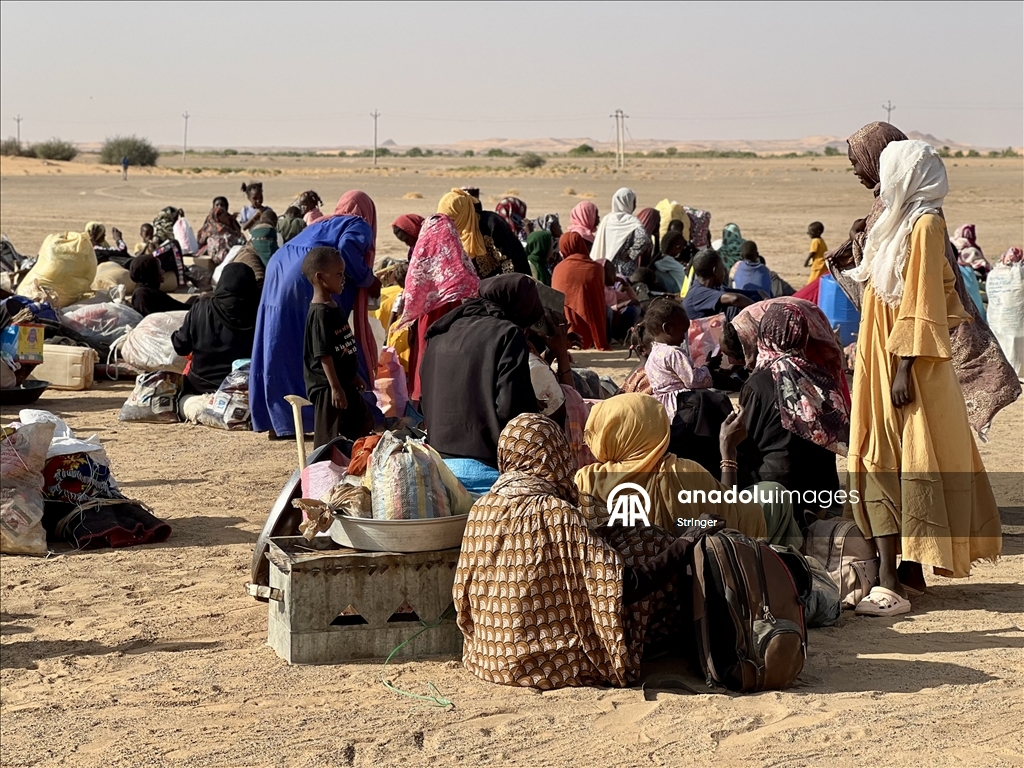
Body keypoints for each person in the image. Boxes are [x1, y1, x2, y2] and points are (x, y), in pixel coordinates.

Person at [844, 140, 1001, 617]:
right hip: (881, 353)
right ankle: (903, 574)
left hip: (907, 362)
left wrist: (903, 368)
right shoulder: (895, 221)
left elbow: (926, 300)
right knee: (877, 453)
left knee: (897, 458)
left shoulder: (927, 224)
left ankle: (891, 584)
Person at [454, 412, 714, 690]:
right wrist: (685, 542)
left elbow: (463, 594)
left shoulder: (482, 508)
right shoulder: (557, 514)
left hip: (486, 657)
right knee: (648, 545)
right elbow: (625, 585)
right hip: (545, 665)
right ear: (553, 455)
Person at [827, 120, 1019, 438]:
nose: (856, 172)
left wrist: (904, 367)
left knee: (912, 429)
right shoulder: (887, 209)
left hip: (906, 336)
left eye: (857, 163)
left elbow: (921, 293)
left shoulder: (924, 221)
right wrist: (858, 239)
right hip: (882, 331)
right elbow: (881, 271)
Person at [249, 196, 379, 437]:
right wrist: (369, 280)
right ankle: (317, 414)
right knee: (323, 342)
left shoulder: (326, 222)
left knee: (279, 345)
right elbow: (349, 249)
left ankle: (281, 418)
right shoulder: (357, 223)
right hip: (304, 278)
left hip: (279, 268)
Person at [574, 394, 769, 538]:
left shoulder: (586, 481)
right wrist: (728, 453)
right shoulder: (684, 472)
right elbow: (732, 516)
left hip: (621, 585)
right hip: (686, 582)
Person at [419, 274, 542, 492]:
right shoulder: (508, 334)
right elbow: (513, 409)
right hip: (486, 466)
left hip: (437, 462)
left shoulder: (442, 331)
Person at [734, 301, 848, 523]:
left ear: (764, 333)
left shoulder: (758, 383)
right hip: (820, 491)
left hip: (778, 488)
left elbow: (747, 439)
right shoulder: (821, 377)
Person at [394, 213, 480, 404]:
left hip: (431, 320)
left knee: (430, 364)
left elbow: (413, 294)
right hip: (450, 319)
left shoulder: (421, 263)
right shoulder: (457, 262)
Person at [301, 246, 370, 449]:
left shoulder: (334, 306)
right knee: (327, 436)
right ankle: (322, 473)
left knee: (362, 423)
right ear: (321, 278)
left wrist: (353, 375)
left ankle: (353, 462)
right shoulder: (319, 314)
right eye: (339, 274)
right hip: (326, 386)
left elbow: (342, 346)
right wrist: (335, 387)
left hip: (343, 381)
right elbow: (324, 354)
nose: (343, 279)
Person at [171, 262, 259, 394]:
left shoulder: (200, 308)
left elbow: (181, 347)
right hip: (243, 392)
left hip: (199, 389)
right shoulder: (261, 314)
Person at [643, 299, 713, 423]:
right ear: (668, 329)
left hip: (661, 406)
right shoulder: (674, 353)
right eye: (683, 331)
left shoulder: (653, 354)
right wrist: (707, 367)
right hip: (681, 403)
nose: (685, 337)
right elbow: (692, 380)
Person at [551, 232, 608, 350]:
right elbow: (598, 304)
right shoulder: (596, 268)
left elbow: (556, 304)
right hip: (593, 333)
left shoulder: (559, 269)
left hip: (567, 333)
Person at [682, 249, 757, 320]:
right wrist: (759, 309)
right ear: (715, 271)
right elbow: (735, 299)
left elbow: (740, 293)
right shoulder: (697, 293)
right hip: (701, 333)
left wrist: (759, 293)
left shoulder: (713, 288)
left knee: (755, 297)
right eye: (722, 269)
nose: (724, 274)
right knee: (733, 309)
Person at [591, 188, 648, 277]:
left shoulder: (607, 219)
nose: (635, 205)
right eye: (634, 202)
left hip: (606, 266)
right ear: (627, 202)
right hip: (624, 269)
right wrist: (630, 253)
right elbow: (644, 239)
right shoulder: (632, 221)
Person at [128, 254, 194, 316]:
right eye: (159, 269)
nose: (163, 271)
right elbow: (152, 319)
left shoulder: (150, 291)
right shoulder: (142, 295)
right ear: (151, 272)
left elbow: (176, 307)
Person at [197, 196, 245, 263]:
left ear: (226, 207)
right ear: (213, 207)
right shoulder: (210, 220)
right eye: (217, 205)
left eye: (222, 205)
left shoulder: (231, 220)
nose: (219, 207)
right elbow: (203, 237)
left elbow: (238, 234)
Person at [602, 260, 641, 342]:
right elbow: (602, 309)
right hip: (604, 324)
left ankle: (623, 336)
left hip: (615, 320)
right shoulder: (599, 290)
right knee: (608, 311)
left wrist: (626, 285)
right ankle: (608, 338)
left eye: (614, 273)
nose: (614, 277)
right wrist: (621, 305)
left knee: (634, 308)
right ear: (603, 274)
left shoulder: (611, 291)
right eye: (611, 274)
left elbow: (634, 300)